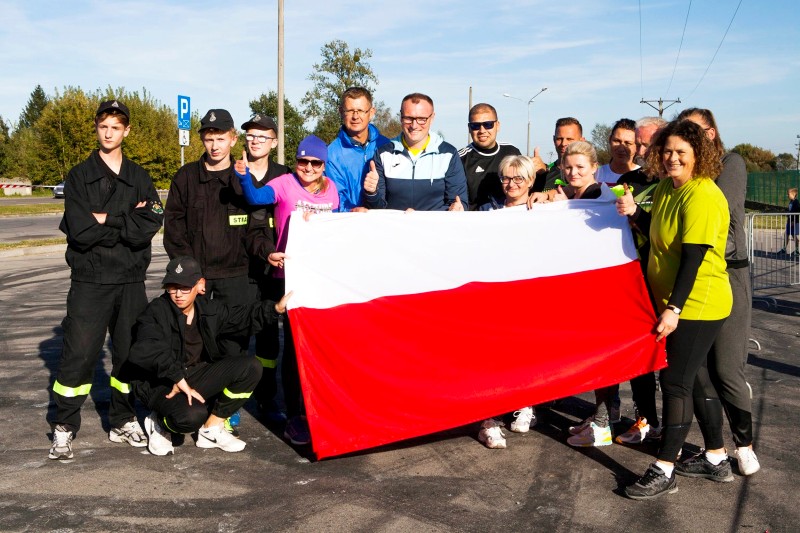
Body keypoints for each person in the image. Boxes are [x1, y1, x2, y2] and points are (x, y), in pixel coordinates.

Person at [618, 119, 732, 500]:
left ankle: (664, 468)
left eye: (681, 152)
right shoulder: (668, 187)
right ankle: (717, 459)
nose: (672, 158)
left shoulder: (702, 194)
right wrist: (636, 212)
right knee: (696, 379)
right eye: (667, 151)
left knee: (676, 382)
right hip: (678, 302)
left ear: (699, 155)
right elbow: (660, 234)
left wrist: (674, 308)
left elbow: (693, 257)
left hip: (698, 303)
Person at [49, 99, 164, 460]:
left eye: (116, 126)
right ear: (97, 129)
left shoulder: (140, 177)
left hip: (131, 279)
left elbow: (149, 225)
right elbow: (80, 231)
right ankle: (64, 426)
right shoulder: (79, 176)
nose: (109, 132)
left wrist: (105, 219)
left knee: (129, 354)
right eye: (104, 126)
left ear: (126, 131)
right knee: (79, 355)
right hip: (90, 279)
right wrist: (125, 219)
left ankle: (122, 419)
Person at [235, 134, 340, 446]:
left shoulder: (332, 189)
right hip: (289, 277)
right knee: (295, 348)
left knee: (319, 348)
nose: (307, 167)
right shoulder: (284, 183)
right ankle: (296, 415)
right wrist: (243, 179)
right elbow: (255, 199)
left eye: (315, 162)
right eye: (302, 161)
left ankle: (320, 409)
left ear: (324, 165)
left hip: (321, 278)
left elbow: (341, 223)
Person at [129, 257, 291, 456]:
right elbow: (145, 348)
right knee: (190, 417)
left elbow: (241, 316)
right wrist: (176, 377)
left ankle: (211, 428)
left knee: (251, 367)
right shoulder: (156, 311)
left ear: (200, 285)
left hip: (192, 376)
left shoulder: (208, 309)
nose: (178, 294)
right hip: (160, 382)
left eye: (185, 287)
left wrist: (275, 309)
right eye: (172, 287)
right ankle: (159, 423)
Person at [676, 107, 761, 476]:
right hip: (696, 279)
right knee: (697, 371)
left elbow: (723, 225)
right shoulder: (683, 176)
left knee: (727, 369)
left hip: (728, 276)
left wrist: (688, 250)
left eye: (692, 132)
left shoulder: (731, 163)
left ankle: (745, 447)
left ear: (710, 134)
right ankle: (714, 451)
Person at [163, 109, 274, 359]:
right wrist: (191, 275)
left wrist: (267, 253)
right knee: (191, 348)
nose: (215, 146)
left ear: (233, 139)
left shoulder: (245, 180)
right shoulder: (186, 177)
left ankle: (231, 399)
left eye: (221, 139)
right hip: (197, 280)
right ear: (202, 139)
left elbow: (257, 229)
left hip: (237, 280)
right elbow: (173, 231)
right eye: (209, 139)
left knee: (233, 350)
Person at [475, 155, 539, 448]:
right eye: (506, 178)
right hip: (494, 293)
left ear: (531, 181)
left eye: (519, 179)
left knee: (525, 352)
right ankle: (488, 419)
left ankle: (525, 404)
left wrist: (547, 197)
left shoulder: (541, 210)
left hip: (528, 293)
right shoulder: (489, 211)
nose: (511, 184)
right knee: (492, 356)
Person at [239, 113, 290, 422]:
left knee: (269, 342)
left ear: (274, 142)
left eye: (262, 135)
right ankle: (230, 405)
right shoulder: (233, 172)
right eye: (251, 135)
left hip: (273, 272)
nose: (256, 140)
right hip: (238, 269)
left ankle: (268, 400)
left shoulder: (285, 175)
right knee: (237, 338)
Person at [363, 92, 468, 211]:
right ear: (401, 117)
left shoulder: (448, 154)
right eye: (408, 118)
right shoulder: (383, 154)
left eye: (422, 119)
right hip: (395, 228)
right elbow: (377, 209)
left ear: (432, 118)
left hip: (435, 228)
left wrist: (458, 208)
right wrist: (372, 193)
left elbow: (459, 202)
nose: (414, 125)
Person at [326, 87, 390, 212]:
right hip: (349, 222)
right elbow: (335, 196)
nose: (355, 116)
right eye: (350, 110)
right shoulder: (331, 154)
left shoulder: (386, 146)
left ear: (371, 112)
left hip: (383, 223)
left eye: (361, 110)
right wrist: (352, 211)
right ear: (341, 112)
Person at [458, 103, 523, 210]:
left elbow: (527, 188)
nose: (482, 131)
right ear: (469, 128)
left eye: (488, 124)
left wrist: (542, 173)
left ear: (497, 125)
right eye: (476, 126)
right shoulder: (460, 159)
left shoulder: (512, 152)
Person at [533, 117, 585, 193]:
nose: (563, 144)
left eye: (569, 139)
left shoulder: (596, 173)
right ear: (554, 140)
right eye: (559, 139)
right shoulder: (543, 173)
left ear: (582, 141)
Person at [595, 118, 639, 184]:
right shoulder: (595, 174)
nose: (621, 148)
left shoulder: (645, 178)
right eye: (617, 141)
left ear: (637, 146)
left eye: (628, 143)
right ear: (610, 140)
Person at [778, 187, 800, 255]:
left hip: (794, 222)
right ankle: (784, 249)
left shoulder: (796, 202)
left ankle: (796, 250)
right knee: (786, 234)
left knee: (794, 235)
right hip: (789, 221)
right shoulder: (791, 202)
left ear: (793, 194)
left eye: (788, 194)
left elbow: (797, 212)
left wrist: (794, 221)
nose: (787, 195)